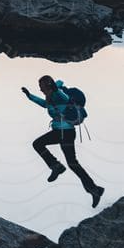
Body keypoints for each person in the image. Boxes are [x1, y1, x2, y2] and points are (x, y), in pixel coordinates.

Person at [22, 74, 103, 207]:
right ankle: (94, 189)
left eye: (42, 87)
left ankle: (57, 167)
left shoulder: (58, 95)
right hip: (61, 132)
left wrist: (56, 88)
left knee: (39, 144)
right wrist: (29, 96)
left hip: (65, 133)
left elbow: (64, 97)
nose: (40, 90)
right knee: (72, 163)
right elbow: (44, 104)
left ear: (48, 86)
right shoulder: (50, 97)